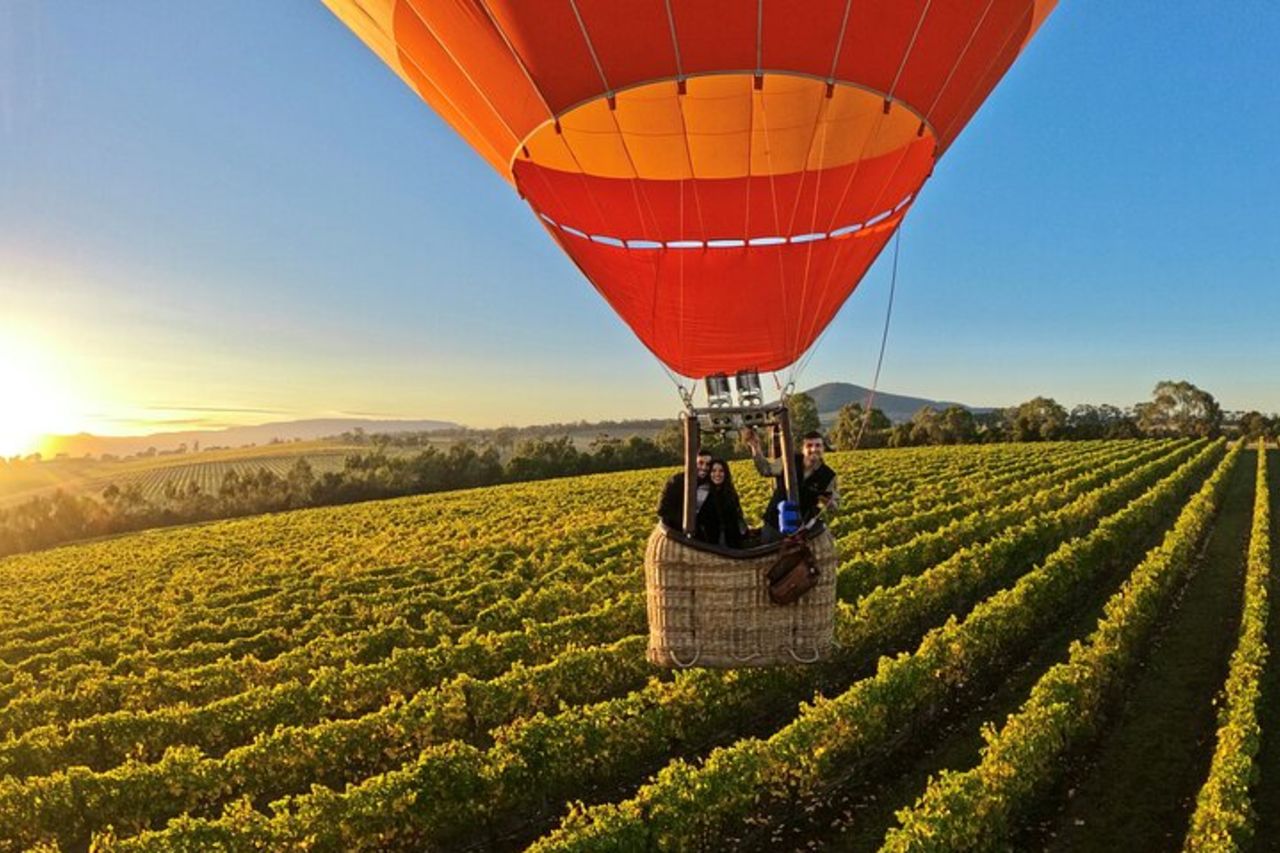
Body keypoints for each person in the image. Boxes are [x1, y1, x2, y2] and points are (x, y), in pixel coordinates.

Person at [741, 427, 839, 542]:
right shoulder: (788, 461)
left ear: (823, 448)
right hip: (774, 523)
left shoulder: (828, 476)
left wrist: (829, 503)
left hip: (801, 531)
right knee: (769, 555)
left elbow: (834, 505)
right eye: (809, 445)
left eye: (818, 445)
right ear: (803, 448)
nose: (813, 449)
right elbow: (766, 470)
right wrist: (755, 446)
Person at [695, 458, 748, 548]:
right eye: (714, 471)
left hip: (732, 541)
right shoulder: (702, 492)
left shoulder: (730, 492)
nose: (717, 474)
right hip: (709, 543)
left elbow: (737, 516)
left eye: (721, 471)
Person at [657, 448, 713, 531]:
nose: (704, 467)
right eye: (700, 463)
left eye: (707, 464)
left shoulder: (711, 485)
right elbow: (663, 510)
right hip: (676, 533)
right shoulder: (676, 482)